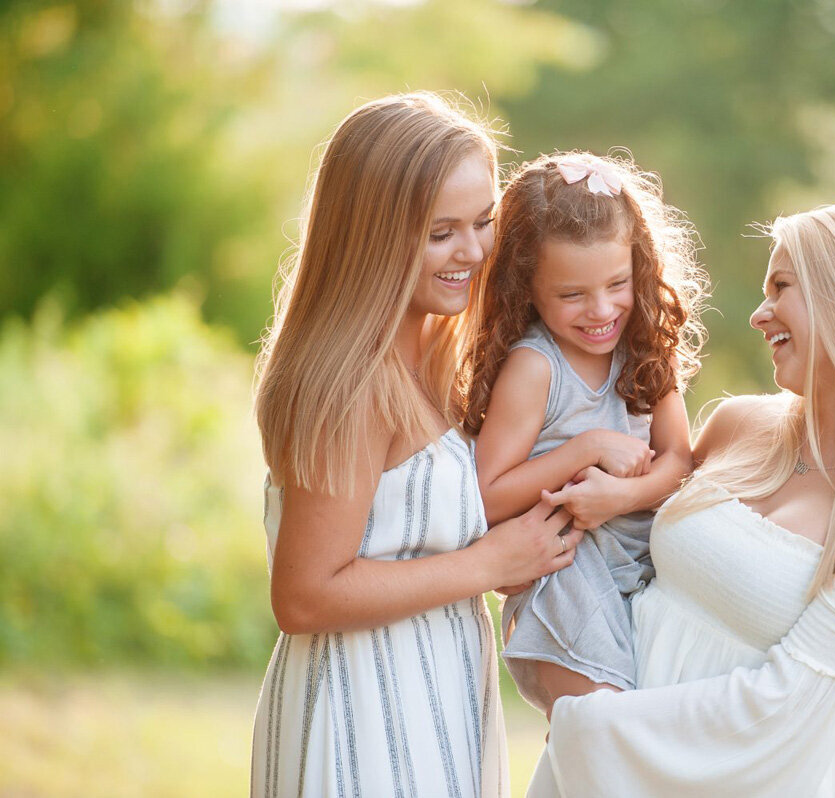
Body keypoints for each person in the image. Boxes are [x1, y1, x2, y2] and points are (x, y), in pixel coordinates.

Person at [527, 201, 835, 797]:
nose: (758, 314)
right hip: (596, 765)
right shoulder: (738, 425)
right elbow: (618, 568)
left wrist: (587, 722)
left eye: (781, 288)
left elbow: (790, 707)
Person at [249, 93, 584, 798]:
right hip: (362, 712)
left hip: (433, 691)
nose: (472, 251)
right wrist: (488, 561)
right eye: (441, 233)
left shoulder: (433, 357)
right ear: (372, 236)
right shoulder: (351, 380)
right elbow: (304, 595)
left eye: (484, 222)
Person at [462, 152, 707, 716]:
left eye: (617, 283)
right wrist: (586, 450)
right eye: (572, 295)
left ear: (638, 268)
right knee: (603, 729)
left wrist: (623, 496)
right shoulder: (535, 367)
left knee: (642, 738)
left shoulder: (644, 348)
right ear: (527, 287)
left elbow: (679, 460)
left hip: (645, 571)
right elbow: (484, 494)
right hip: (568, 574)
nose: (601, 310)